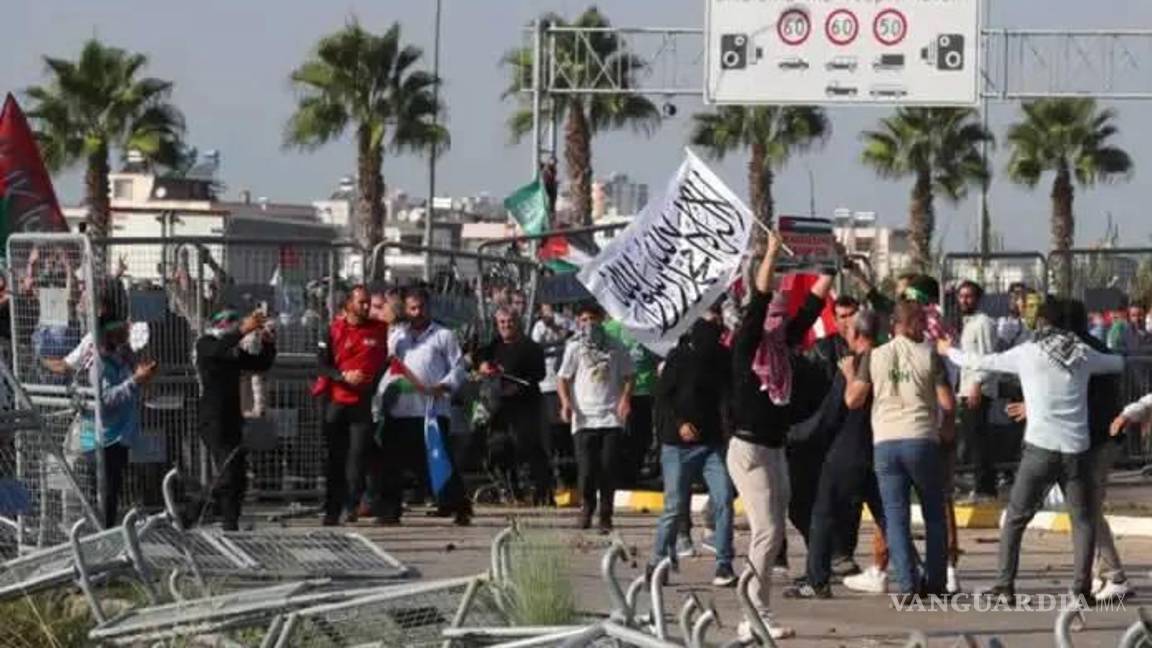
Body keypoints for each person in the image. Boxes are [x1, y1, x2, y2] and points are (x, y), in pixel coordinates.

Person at [941, 297, 1124, 600]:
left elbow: (982, 362)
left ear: (1042, 322)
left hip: (1040, 448)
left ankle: (1004, 585)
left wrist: (949, 351)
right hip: (1077, 449)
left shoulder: (1029, 353)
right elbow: (1117, 362)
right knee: (1082, 521)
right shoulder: (1083, 354)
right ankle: (1081, 589)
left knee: (1014, 518)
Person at [729, 231, 832, 642]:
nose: (778, 319)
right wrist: (771, 253)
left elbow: (809, 307)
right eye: (774, 314)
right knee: (767, 532)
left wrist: (830, 263)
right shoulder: (747, 346)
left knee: (773, 533)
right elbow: (759, 300)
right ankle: (752, 614)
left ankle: (758, 610)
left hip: (775, 448)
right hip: (749, 448)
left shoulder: (780, 346)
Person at [846, 301, 955, 600]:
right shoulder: (929, 354)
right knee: (934, 515)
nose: (924, 327)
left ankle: (907, 586)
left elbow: (853, 400)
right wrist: (947, 428)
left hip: (885, 442)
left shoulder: (874, 356)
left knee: (895, 518)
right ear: (911, 323)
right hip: (921, 440)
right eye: (921, 321)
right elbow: (946, 403)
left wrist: (848, 376)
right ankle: (935, 584)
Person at [786, 308, 887, 599]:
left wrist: (795, 435)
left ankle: (817, 580)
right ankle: (918, 575)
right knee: (889, 516)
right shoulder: (886, 362)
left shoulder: (853, 368)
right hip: (881, 449)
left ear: (855, 334)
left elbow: (830, 415)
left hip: (848, 451)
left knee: (822, 513)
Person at [648, 316, 736, 588]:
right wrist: (680, 423)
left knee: (723, 500)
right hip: (677, 445)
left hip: (711, 444)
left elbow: (729, 393)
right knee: (674, 506)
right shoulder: (679, 358)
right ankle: (659, 560)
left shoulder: (722, 359)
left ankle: (724, 563)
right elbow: (663, 397)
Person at [379, 287, 472, 525]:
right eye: (412, 308)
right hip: (401, 408)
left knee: (439, 458)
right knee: (392, 462)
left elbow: (459, 368)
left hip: (432, 407)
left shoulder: (443, 335)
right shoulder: (398, 337)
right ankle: (390, 510)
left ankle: (458, 505)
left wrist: (443, 386)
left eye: (421, 307)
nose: (417, 312)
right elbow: (390, 366)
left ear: (428, 307)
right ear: (406, 309)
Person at [314, 286, 391, 526]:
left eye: (368, 303)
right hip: (336, 402)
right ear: (348, 304)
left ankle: (351, 505)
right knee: (335, 458)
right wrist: (343, 376)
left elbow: (384, 359)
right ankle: (331, 509)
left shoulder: (379, 330)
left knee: (356, 459)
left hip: (362, 404)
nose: (366, 307)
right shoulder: (333, 329)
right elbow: (321, 365)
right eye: (361, 303)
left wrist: (371, 380)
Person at [194, 308, 276, 530]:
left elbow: (259, 364)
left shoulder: (233, 350)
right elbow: (220, 349)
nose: (234, 324)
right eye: (229, 321)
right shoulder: (206, 343)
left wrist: (268, 342)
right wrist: (243, 329)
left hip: (233, 418)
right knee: (228, 472)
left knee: (238, 475)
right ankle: (194, 509)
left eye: (235, 320)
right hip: (212, 420)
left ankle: (231, 523)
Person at [557, 302, 635, 533]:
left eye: (592, 319)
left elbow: (629, 375)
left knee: (608, 467)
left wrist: (625, 399)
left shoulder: (616, 346)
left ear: (601, 320)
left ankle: (606, 515)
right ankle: (587, 507)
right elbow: (563, 377)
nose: (588, 324)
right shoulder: (574, 347)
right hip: (584, 418)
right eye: (583, 320)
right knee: (587, 469)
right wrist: (566, 403)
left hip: (610, 417)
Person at [87, 314, 157, 528]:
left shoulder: (120, 358)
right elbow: (106, 400)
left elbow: (129, 386)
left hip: (121, 435)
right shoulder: (99, 364)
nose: (127, 330)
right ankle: (101, 536)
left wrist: (142, 376)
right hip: (104, 438)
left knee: (115, 490)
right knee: (105, 492)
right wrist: (135, 381)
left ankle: (109, 532)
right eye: (121, 327)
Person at [476, 308, 548, 504]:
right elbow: (478, 357)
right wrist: (482, 365)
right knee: (499, 448)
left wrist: (517, 387)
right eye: (502, 322)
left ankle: (543, 493)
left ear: (518, 322)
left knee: (530, 448)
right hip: (500, 408)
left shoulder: (531, 347)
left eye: (510, 321)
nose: (506, 326)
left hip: (526, 405)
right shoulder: (494, 345)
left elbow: (538, 374)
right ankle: (511, 490)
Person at [955, 280, 999, 502]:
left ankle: (985, 489)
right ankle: (983, 486)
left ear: (978, 299)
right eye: (961, 296)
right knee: (974, 439)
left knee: (978, 441)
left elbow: (987, 358)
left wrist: (977, 384)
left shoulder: (983, 323)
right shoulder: (968, 323)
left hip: (977, 389)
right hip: (966, 388)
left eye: (969, 296)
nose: (964, 300)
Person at [603, 317, 659, 486]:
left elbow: (658, 354)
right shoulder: (610, 328)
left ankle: (633, 473)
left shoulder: (648, 325)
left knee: (642, 437)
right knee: (619, 437)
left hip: (644, 390)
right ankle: (619, 476)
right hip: (618, 391)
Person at [531, 302, 576, 489]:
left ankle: (570, 478)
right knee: (550, 434)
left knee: (566, 432)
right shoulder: (538, 327)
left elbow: (573, 337)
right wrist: (546, 325)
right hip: (546, 385)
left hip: (565, 384)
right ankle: (553, 478)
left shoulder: (566, 321)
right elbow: (535, 348)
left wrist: (557, 327)